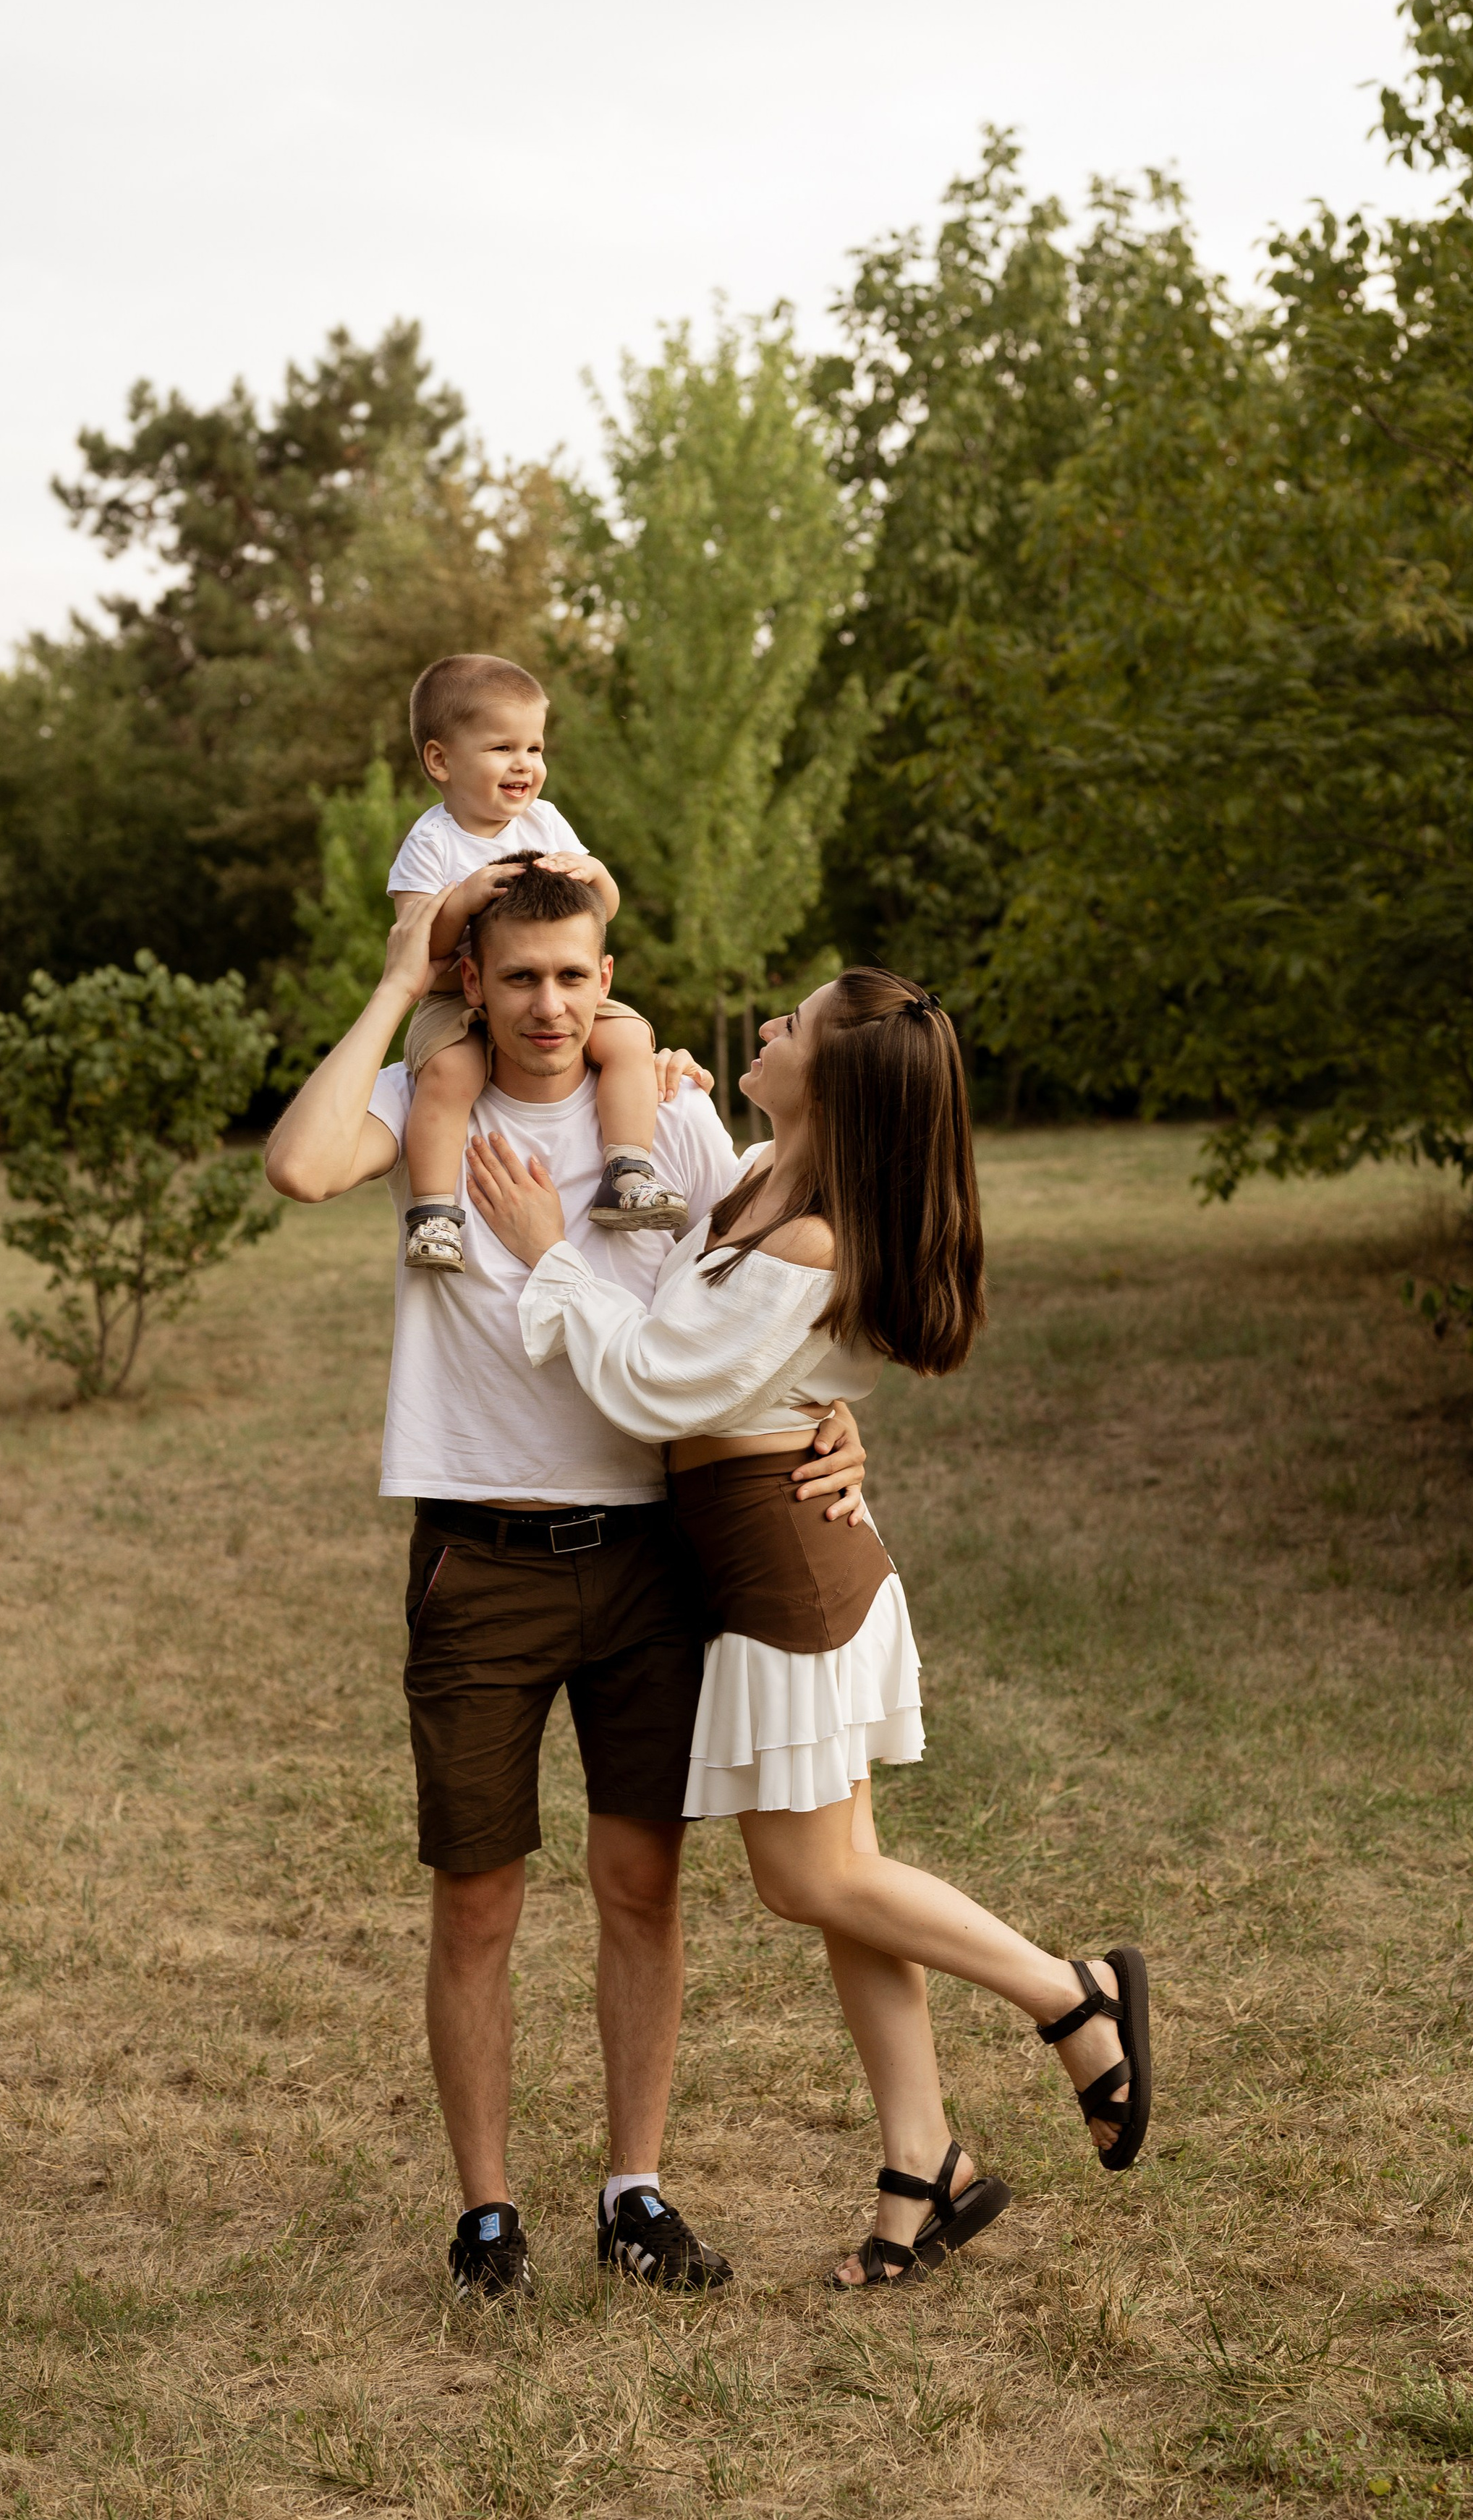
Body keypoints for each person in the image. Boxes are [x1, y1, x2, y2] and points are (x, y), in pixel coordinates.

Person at [466, 967, 1154, 2291]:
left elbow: (659, 1376)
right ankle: (924, 2170)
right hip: (773, 1546)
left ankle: (1071, 1993)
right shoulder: (771, 1169)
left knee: (809, 1879)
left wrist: (547, 1244)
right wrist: (656, 1107)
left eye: (793, 1026)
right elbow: (714, 1326)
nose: (767, 1031)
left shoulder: (811, 1239)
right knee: (850, 1881)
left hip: (786, 1569)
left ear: (829, 1078)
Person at [263, 867, 872, 2303]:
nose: (549, 1005)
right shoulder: (434, 1111)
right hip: (478, 1559)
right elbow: (294, 1164)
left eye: (575, 978)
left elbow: (775, 1288)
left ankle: (632, 2188)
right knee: (475, 1901)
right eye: (521, 976)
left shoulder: (663, 1117)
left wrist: (841, 1417)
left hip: (651, 1558)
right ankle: (485, 2212)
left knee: (638, 1885)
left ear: (608, 981)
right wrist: (400, 974)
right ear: (481, 982)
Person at [389, 651, 684, 1274]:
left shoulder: (546, 820)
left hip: (544, 979)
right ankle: (436, 1213)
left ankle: (628, 1167)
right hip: (454, 995)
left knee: (630, 1037)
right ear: (440, 760)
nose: (525, 763)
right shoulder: (432, 842)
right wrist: (461, 900)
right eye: (502, 747)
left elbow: (597, 912)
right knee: (448, 1077)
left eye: (535, 747)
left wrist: (599, 876)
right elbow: (417, 946)